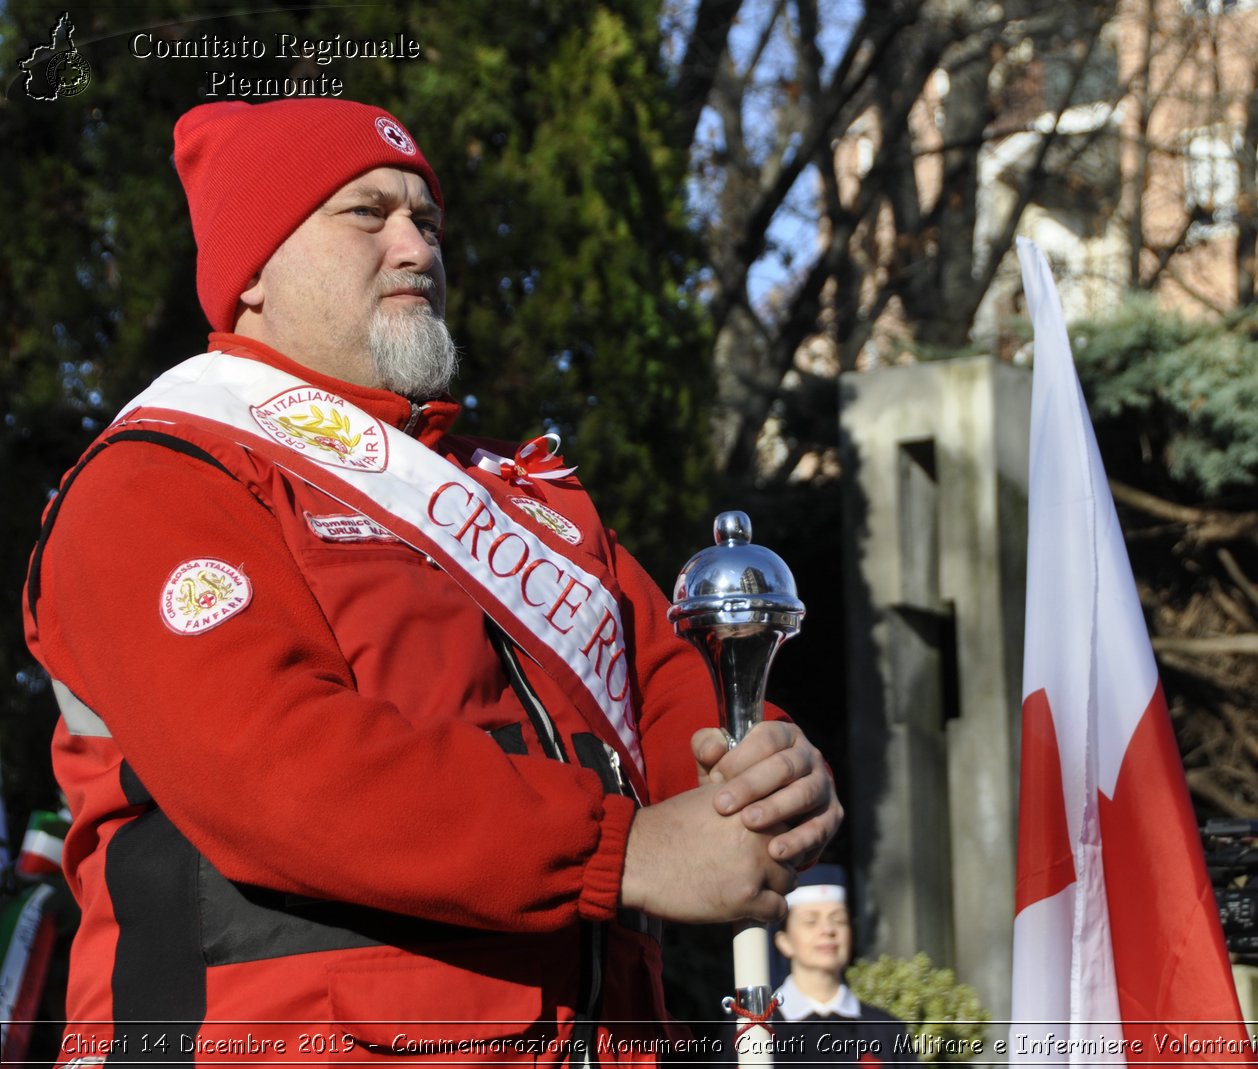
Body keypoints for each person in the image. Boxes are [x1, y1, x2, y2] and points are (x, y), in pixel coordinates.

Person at [21, 97, 841, 1065]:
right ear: (252, 273)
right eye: (367, 213)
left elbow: (671, 690)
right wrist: (626, 852)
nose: (417, 247)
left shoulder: (526, 496)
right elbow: (279, 769)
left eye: (427, 219)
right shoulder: (157, 479)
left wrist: (767, 770)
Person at [768, 867, 914, 1068]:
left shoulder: (885, 1030)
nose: (828, 930)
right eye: (811, 921)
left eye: (838, 920)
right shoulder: (753, 1029)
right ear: (784, 941)